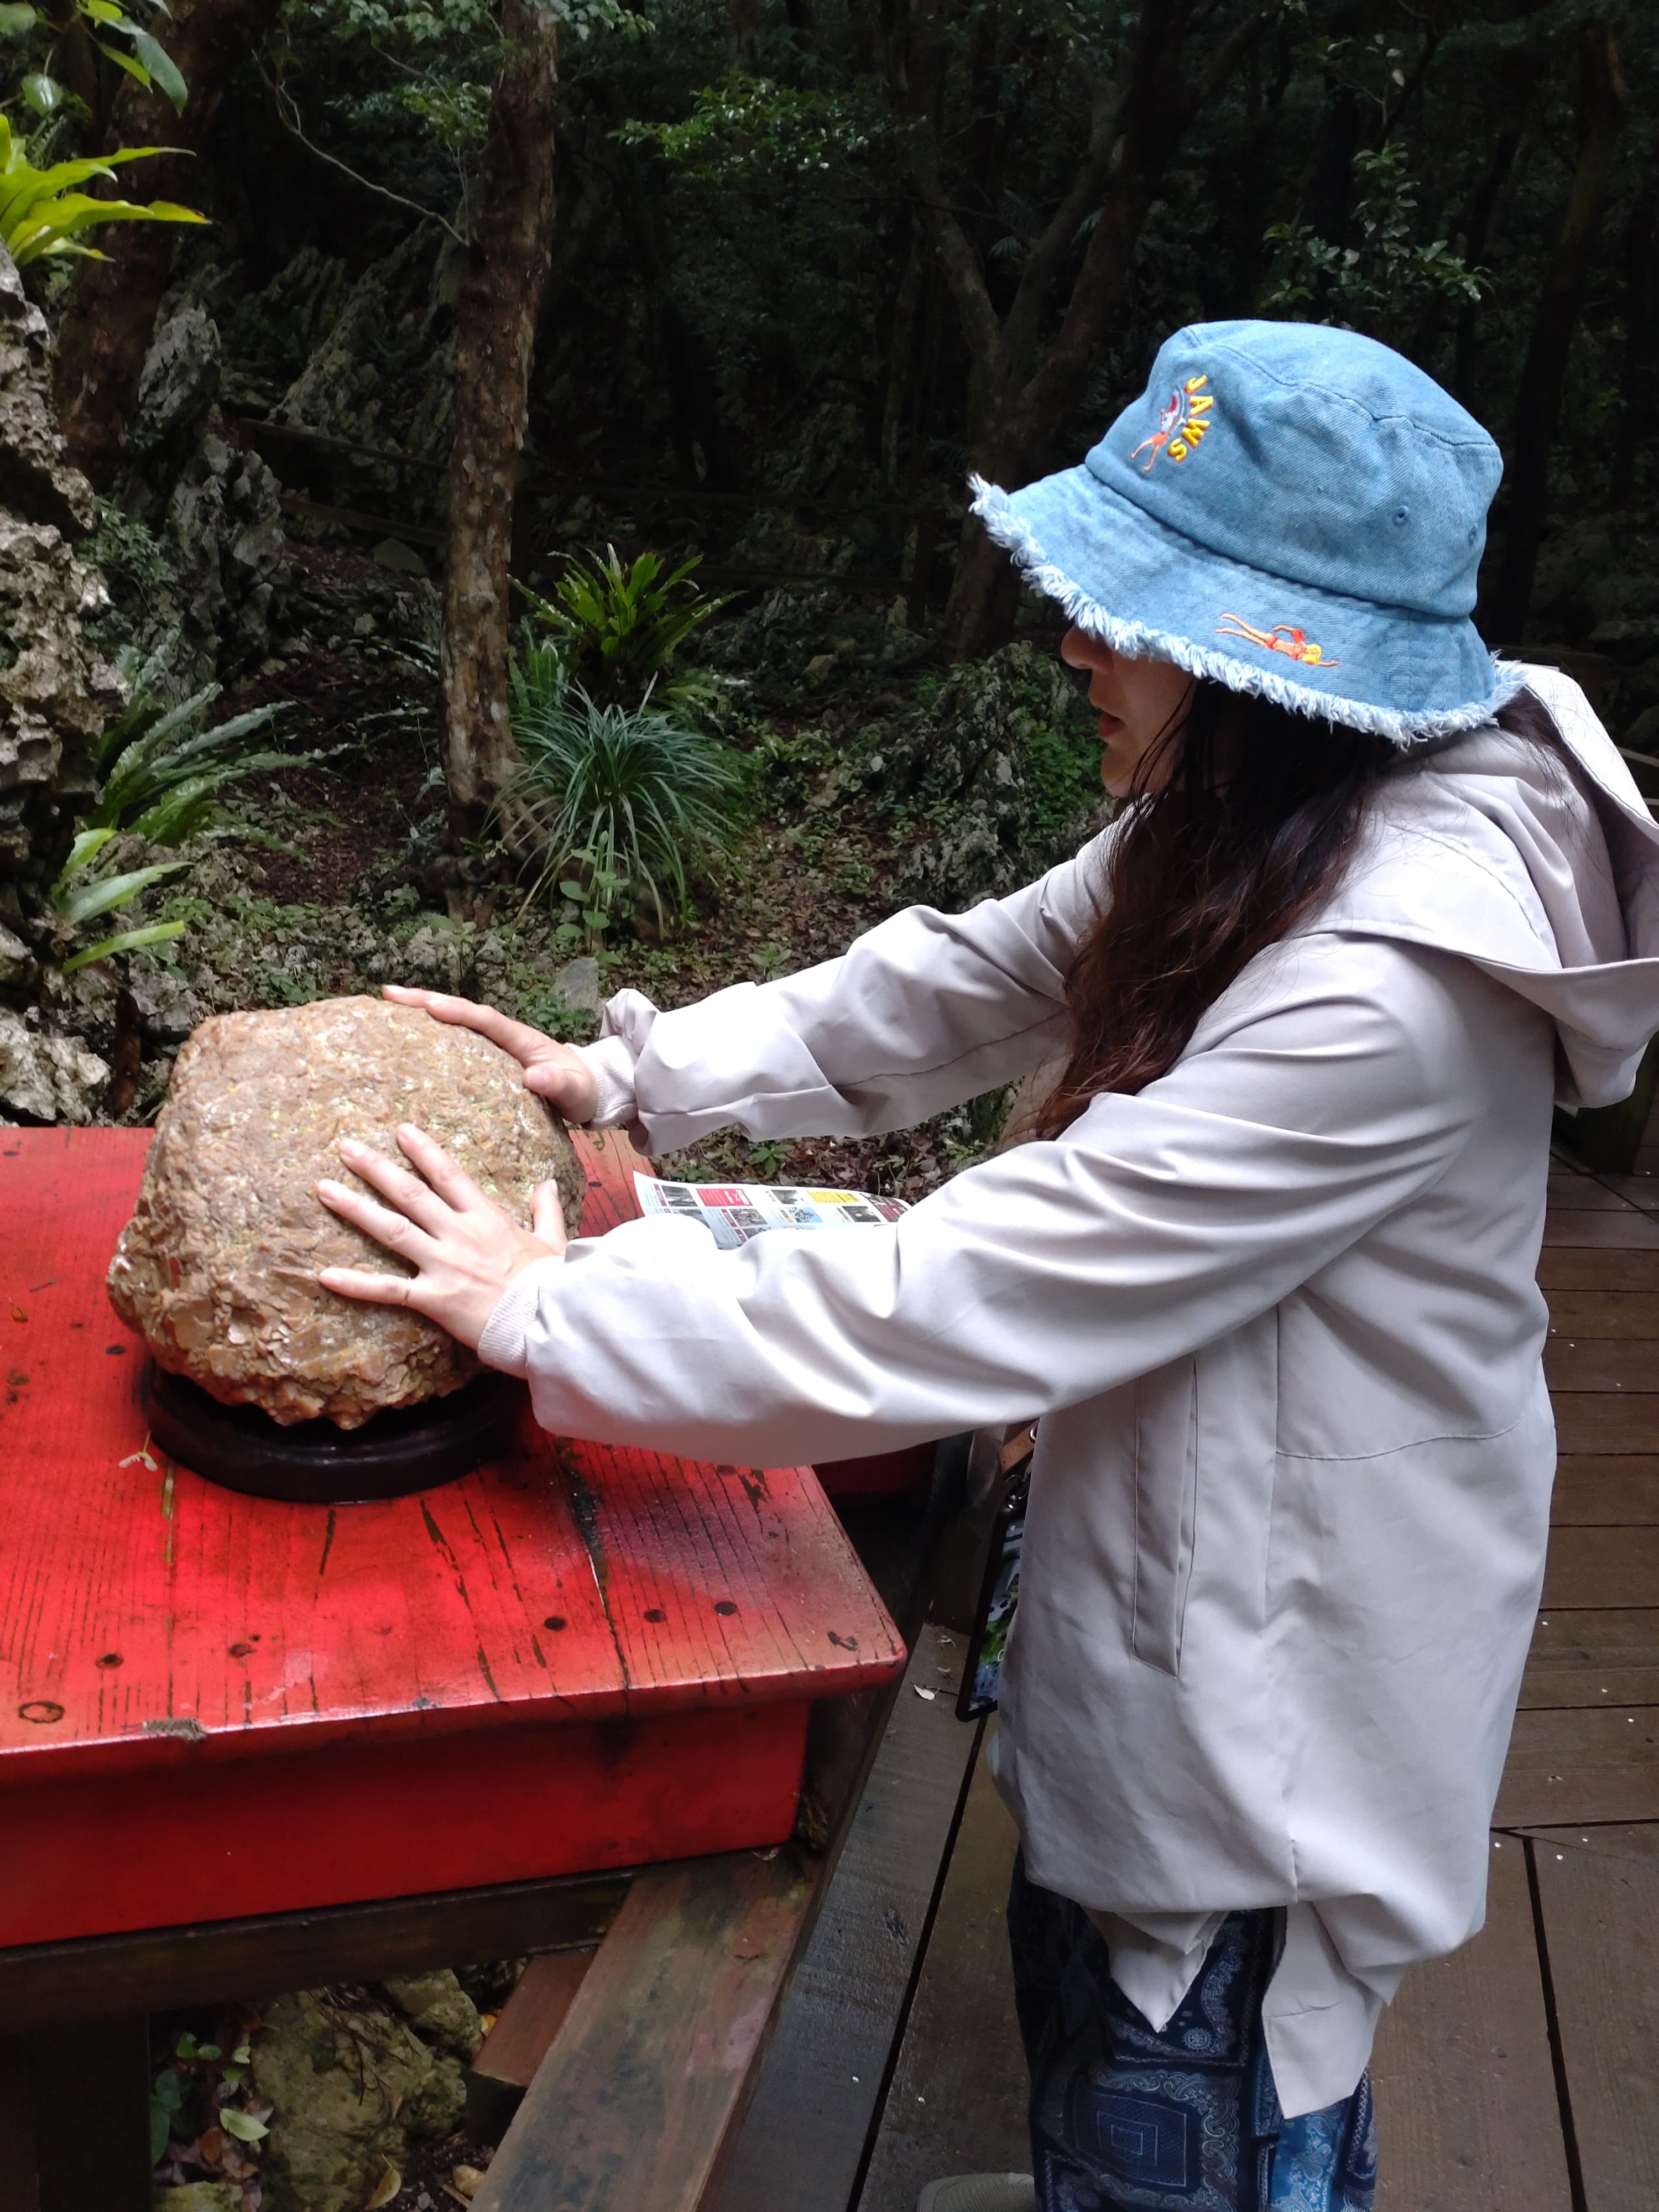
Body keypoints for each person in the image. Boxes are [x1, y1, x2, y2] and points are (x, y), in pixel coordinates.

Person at [315, 321, 1659, 2212]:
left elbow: (963, 1290)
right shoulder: (1267, 813)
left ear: (1270, 662)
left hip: (1268, 1749)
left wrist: (541, 1309)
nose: (1075, 646)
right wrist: (629, 1073)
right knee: (1091, 2013)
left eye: (1128, 611)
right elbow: (978, 970)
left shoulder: (1388, 991)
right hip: (1171, 1598)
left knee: (1202, 2081)